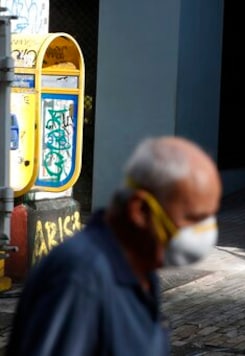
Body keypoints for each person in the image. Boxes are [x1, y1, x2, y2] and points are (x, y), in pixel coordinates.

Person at [7, 135, 223, 356]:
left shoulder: (142, 273)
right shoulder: (80, 277)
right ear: (140, 210)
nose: (206, 231)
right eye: (195, 218)